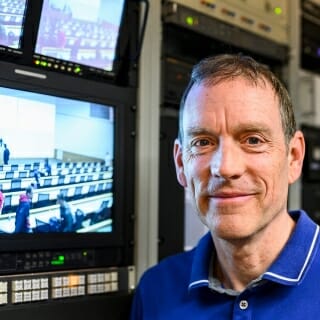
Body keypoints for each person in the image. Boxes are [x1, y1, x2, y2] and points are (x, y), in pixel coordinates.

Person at [130, 54, 316, 319]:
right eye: (203, 142)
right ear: (181, 163)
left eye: (253, 140)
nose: (226, 167)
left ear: (294, 157)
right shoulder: (157, 291)